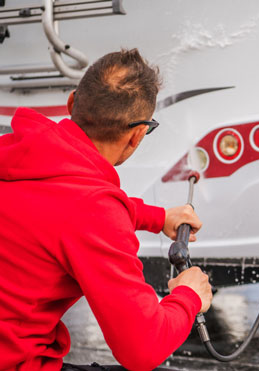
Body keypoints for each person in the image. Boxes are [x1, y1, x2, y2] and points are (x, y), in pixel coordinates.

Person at [0, 49, 213, 371]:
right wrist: (187, 296)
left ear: (72, 103)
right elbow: (142, 350)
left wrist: (158, 217)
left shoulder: (14, 156)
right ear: (137, 134)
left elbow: (58, 206)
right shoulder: (92, 210)